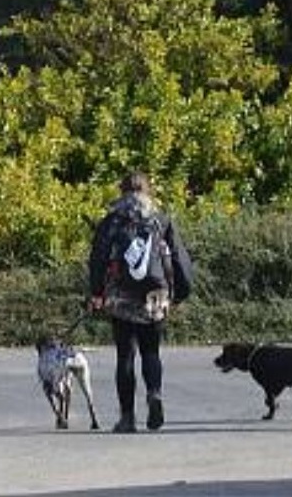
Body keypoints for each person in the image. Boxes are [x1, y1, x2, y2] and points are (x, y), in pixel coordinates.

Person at [86, 171, 194, 434]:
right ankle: (154, 394)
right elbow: (179, 258)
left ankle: (127, 418)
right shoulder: (161, 220)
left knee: (125, 355)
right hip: (155, 295)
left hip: (120, 295)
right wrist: (180, 292)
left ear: (121, 192)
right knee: (151, 351)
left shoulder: (112, 221)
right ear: (148, 192)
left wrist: (96, 293)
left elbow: (98, 259)